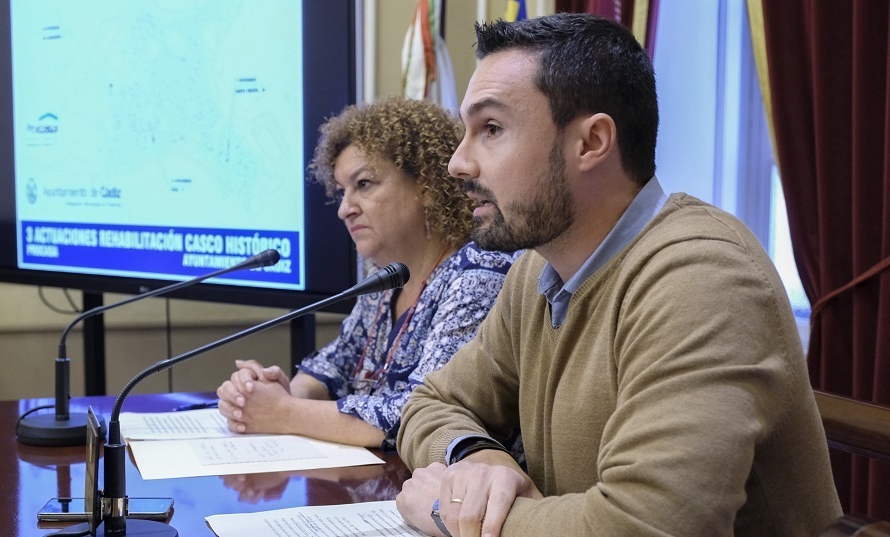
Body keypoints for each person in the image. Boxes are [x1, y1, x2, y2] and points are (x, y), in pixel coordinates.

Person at [395, 13, 842, 537]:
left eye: (491, 129)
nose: (457, 163)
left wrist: (452, 512)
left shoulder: (704, 277)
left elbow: (646, 526)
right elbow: (431, 403)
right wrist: (477, 463)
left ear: (592, 142)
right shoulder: (538, 270)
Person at [216, 96, 516, 451]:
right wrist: (274, 392)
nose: (344, 209)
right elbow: (332, 367)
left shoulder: (480, 272)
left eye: (363, 184)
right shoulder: (386, 280)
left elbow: (420, 414)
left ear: (427, 186)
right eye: (341, 191)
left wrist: (282, 411)